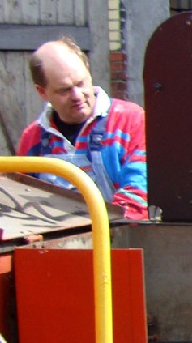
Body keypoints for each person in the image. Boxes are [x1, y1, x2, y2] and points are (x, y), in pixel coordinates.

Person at [18, 37, 149, 219]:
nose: (77, 96)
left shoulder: (130, 121)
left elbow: (139, 191)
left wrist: (100, 232)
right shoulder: (33, 140)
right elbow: (22, 202)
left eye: (80, 83)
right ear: (42, 92)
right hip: (58, 244)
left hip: (118, 238)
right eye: (64, 90)